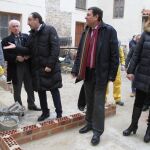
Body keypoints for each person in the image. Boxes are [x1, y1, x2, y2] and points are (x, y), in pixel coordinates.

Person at [71, 7, 119, 145]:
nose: (85, 17)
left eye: (88, 15)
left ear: (97, 17)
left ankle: (97, 132)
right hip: (87, 72)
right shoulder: (87, 30)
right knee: (89, 100)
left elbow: (114, 56)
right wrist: (76, 69)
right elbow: (80, 51)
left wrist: (111, 77)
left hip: (101, 73)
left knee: (98, 104)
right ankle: (89, 123)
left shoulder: (108, 31)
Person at [3, 13, 63, 122]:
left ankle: (59, 113)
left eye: (29, 20)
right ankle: (45, 112)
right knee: (41, 91)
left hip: (50, 68)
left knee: (54, 90)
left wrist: (49, 65)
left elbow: (55, 48)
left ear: (36, 20)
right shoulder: (32, 35)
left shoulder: (50, 30)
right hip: (37, 69)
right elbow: (28, 50)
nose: (27, 23)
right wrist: (16, 47)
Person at [1, 20, 40, 111]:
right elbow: (5, 55)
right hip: (15, 67)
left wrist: (28, 55)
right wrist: (15, 57)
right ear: (10, 28)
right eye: (13, 26)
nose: (16, 28)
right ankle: (19, 107)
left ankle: (31, 104)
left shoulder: (26, 37)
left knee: (29, 86)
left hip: (27, 65)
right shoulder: (6, 40)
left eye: (17, 26)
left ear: (20, 27)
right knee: (17, 88)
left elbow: (32, 49)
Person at [123, 16, 150, 143]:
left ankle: (149, 131)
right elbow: (136, 54)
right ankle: (133, 125)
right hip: (143, 75)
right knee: (138, 102)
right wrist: (130, 71)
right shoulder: (145, 34)